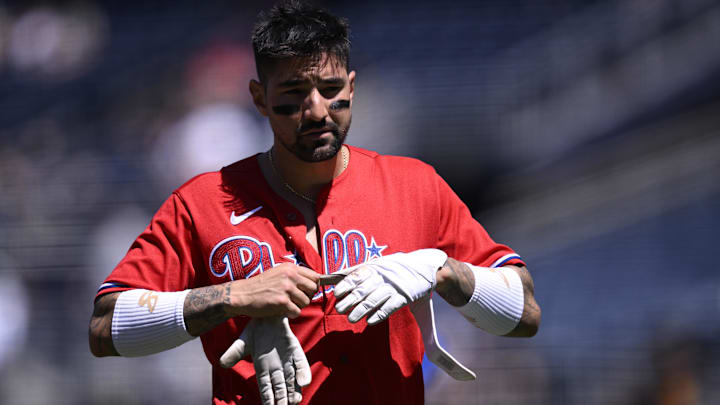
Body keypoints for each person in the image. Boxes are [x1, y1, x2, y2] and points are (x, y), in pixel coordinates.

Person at [88, 1, 541, 404]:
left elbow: (523, 312)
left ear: (351, 85)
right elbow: (107, 328)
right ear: (259, 99)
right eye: (294, 95)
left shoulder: (414, 185)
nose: (318, 110)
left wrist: (439, 271)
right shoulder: (200, 201)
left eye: (330, 89)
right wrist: (235, 297)